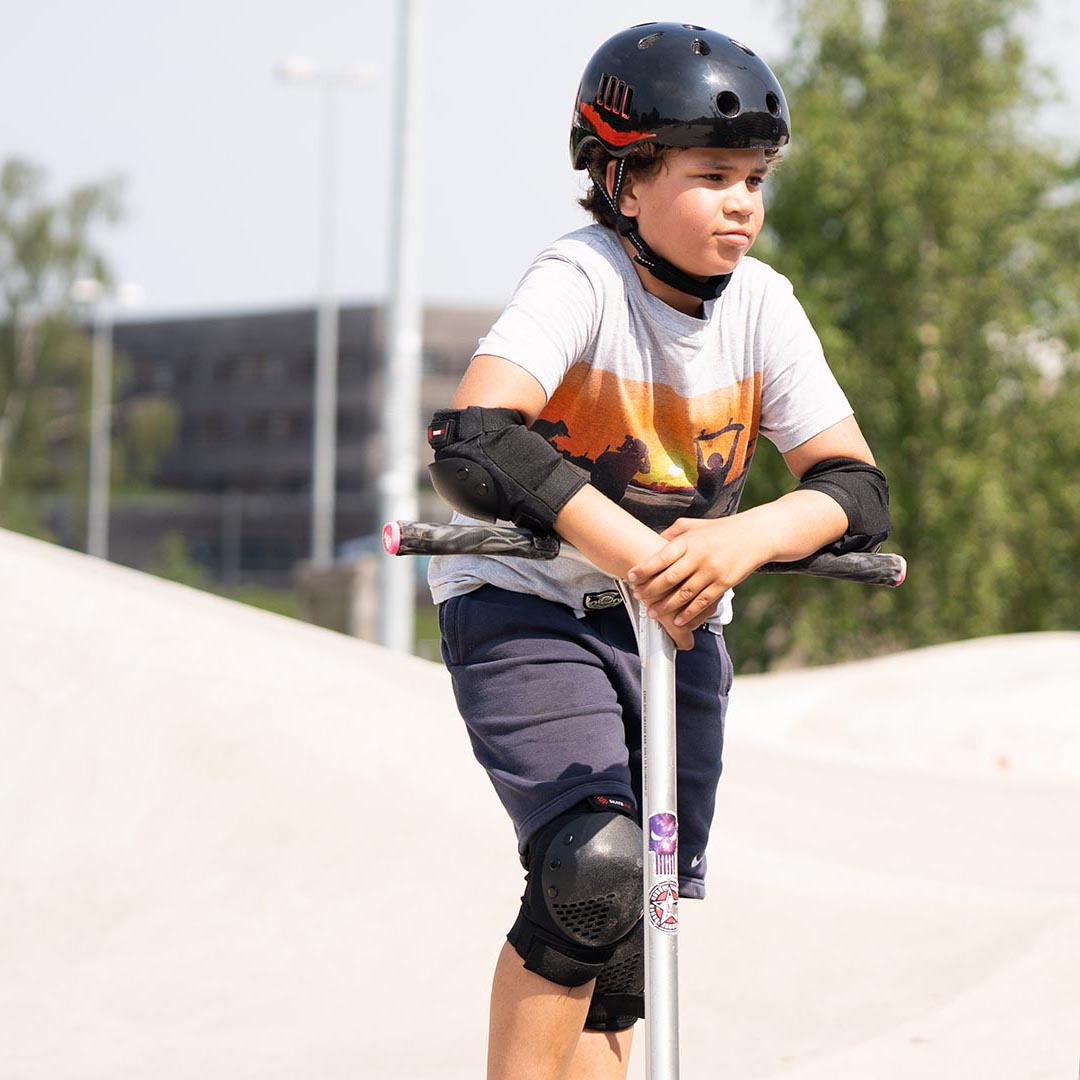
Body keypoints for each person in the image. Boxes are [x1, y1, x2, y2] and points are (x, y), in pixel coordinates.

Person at [425, 22, 891, 1080]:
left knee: (628, 935)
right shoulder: (582, 277)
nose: (743, 204)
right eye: (713, 175)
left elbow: (855, 491)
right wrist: (641, 552)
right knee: (592, 869)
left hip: (675, 631)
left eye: (756, 179)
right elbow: (475, 439)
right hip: (531, 607)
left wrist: (749, 536)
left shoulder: (764, 306)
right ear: (626, 182)